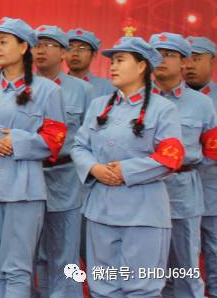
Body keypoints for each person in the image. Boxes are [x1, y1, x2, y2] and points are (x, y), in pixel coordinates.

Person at [0, 17, 67, 298]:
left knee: (17, 267)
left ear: (23, 47)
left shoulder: (48, 90)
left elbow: (55, 139)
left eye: (4, 42)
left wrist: (18, 141)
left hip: (24, 187)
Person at [72, 37, 185, 298]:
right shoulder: (99, 105)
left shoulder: (163, 109)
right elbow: (79, 146)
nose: (113, 66)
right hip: (100, 209)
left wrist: (126, 170)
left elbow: (171, 157)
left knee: (142, 288)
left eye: (120, 60)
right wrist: (94, 168)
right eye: (112, 61)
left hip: (144, 212)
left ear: (142, 66)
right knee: (102, 286)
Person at [149, 32, 217, 298]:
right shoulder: (139, 99)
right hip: (145, 190)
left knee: (186, 265)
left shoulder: (202, 104)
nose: (162, 60)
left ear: (183, 61)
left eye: (169, 55)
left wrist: (187, 169)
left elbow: (212, 149)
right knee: (148, 267)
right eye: (157, 55)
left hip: (184, 191)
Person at [32, 25, 92, 298]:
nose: (41, 50)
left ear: (64, 53)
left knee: (66, 255)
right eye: (37, 45)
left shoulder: (83, 90)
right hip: (29, 175)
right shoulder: (22, 87)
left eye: (49, 45)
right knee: (34, 253)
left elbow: (91, 139)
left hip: (67, 178)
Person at [183, 36, 217, 298]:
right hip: (179, 191)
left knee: (214, 249)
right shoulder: (165, 98)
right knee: (180, 254)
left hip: (213, 188)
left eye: (197, 59)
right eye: (187, 59)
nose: (190, 65)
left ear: (212, 62)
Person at [66, 28, 115, 98]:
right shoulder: (55, 86)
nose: (75, 53)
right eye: (70, 47)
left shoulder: (108, 87)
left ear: (94, 55)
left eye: (82, 48)